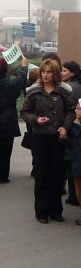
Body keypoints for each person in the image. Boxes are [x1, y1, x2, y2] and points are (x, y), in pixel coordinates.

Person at [20, 59, 75, 224]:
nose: (45, 75)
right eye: (43, 71)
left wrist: (65, 126)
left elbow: (71, 111)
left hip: (57, 138)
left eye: (49, 72)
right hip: (40, 137)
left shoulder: (63, 91)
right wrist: (36, 119)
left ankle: (56, 210)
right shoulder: (34, 91)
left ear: (55, 73)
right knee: (41, 173)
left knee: (57, 175)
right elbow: (24, 112)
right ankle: (41, 211)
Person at [0, 56, 28, 184]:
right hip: (8, 118)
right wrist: (24, 66)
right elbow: (22, 80)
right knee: (6, 149)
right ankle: (3, 175)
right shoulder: (12, 83)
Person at [60, 61, 81, 206]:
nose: (61, 73)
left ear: (72, 73)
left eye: (65, 70)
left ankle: (74, 196)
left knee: (71, 163)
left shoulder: (69, 89)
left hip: (72, 128)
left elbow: (66, 110)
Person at [70, 100, 81, 225]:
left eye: (78, 109)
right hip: (77, 163)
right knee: (78, 190)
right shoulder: (75, 125)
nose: (75, 111)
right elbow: (71, 144)